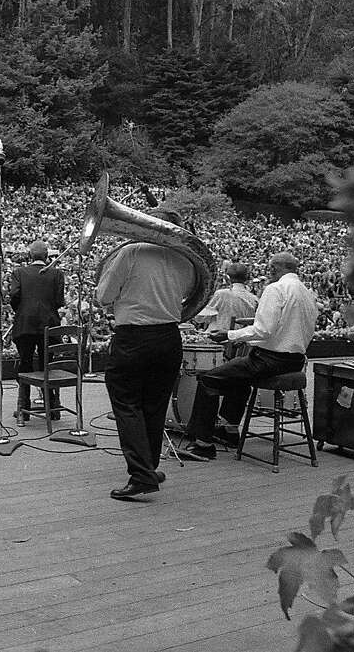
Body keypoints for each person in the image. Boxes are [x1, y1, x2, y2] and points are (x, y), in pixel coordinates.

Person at [96, 209, 196, 500]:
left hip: (133, 338)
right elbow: (190, 293)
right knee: (155, 405)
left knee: (126, 404)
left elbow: (103, 296)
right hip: (168, 337)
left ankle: (141, 476)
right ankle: (148, 467)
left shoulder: (131, 253)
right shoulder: (186, 259)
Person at [180, 251, 319, 460]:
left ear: (273, 268)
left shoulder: (275, 289)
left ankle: (202, 443)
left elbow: (264, 330)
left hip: (270, 360)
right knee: (239, 374)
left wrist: (229, 335)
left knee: (208, 380)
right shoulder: (307, 294)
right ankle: (229, 429)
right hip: (295, 361)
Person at [8, 240, 65, 425]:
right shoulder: (57, 274)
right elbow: (59, 301)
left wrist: (23, 309)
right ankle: (53, 408)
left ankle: (24, 410)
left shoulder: (19, 273)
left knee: (25, 364)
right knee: (46, 365)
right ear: (47, 256)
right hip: (49, 325)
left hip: (25, 324)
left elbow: (14, 296)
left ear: (30, 255)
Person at [196, 262, 259, 334]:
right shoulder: (255, 299)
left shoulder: (221, 294)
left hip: (218, 338)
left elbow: (199, 318)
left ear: (228, 278)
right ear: (247, 278)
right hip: (243, 340)